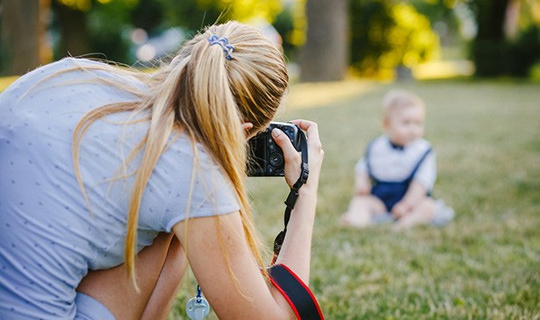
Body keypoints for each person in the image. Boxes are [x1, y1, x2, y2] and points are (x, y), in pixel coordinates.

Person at [0, 21, 324, 319]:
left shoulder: (82, 74)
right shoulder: (190, 169)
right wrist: (305, 192)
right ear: (243, 129)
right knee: (173, 228)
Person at [340, 89, 454, 229]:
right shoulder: (377, 147)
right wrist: (362, 183)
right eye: (406, 123)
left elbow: (422, 183)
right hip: (381, 199)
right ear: (386, 125)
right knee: (360, 201)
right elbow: (363, 168)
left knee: (427, 207)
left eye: (418, 123)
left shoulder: (423, 150)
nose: (413, 129)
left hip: (411, 198)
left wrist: (406, 204)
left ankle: (404, 224)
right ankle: (357, 220)